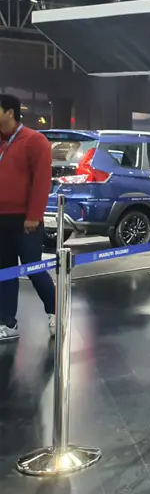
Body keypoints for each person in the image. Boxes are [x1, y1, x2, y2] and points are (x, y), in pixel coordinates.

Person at [0, 94, 56, 341]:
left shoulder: (35, 141)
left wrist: (34, 215)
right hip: (1, 218)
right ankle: (8, 323)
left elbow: (41, 182)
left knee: (33, 269)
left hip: (26, 219)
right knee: (5, 271)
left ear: (9, 112)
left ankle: (55, 312)